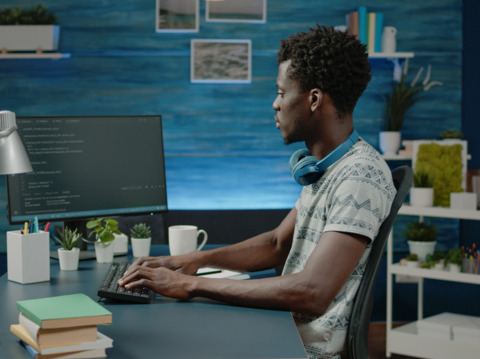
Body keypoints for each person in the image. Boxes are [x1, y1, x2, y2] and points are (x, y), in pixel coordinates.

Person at [119, 25, 396, 359]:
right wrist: (191, 261)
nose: (275, 104)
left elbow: (313, 291)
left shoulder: (360, 175)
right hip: (281, 330)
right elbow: (277, 244)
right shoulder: (324, 169)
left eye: (281, 92)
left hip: (301, 348)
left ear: (313, 99)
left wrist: (191, 284)